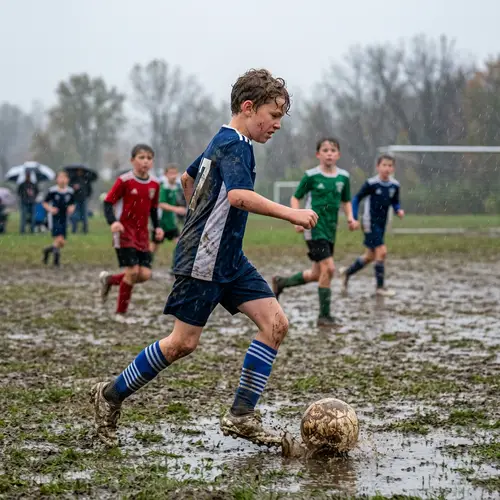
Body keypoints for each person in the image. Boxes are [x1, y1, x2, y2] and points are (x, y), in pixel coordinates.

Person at [90, 69, 318, 448]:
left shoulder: (224, 139)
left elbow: (186, 178)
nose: (277, 124)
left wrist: (200, 215)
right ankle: (110, 394)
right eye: (274, 115)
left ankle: (241, 416)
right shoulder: (236, 144)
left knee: (275, 324)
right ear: (248, 107)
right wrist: (292, 213)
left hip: (229, 259)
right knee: (182, 343)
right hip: (202, 259)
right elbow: (239, 197)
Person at [272, 138, 355, 326]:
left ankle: (281, 282)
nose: (329, 153)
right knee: (330, 269)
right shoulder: (310, 176)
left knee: (317, 274)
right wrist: (297, 217)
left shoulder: (344, 177)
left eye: (333, 150)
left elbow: (346, 201)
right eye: (325, 150)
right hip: (313, 228)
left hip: (330, 230)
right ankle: (324, 316)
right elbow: (295, 197)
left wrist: (351, 217)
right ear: (318, 154)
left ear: (338, 155)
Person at [98, 145, 163, 316]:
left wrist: (157, 227)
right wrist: (113, 222)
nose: (145, 161)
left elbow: (153, 208)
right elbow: (108, 202)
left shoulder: (155, 184)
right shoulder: (124, 181)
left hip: (142, 234)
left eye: (149, 158)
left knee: (145, 274)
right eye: (141, 157)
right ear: (132, 160)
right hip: (124, 233)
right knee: (133, 272)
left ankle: (109, 280)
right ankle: (121, 314)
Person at [339, 154, 404, 297]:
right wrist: (354, 217)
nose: (387, 168)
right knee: (382, 251)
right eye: (384, 165)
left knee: (370, 256)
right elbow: (356, 199)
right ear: (378, 167)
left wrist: (398, 209)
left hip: (382, 223)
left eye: (390, 165)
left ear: (393, 168)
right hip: (369, 222)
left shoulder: (395, 185)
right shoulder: (371, 184)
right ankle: (380, 288)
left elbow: (395, 201)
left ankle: (346, 273)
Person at [149, 164, 187, 271]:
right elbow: (161, 204)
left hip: (171, 222)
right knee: (154, 246)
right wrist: (177, 209)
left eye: (175, 173)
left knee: (180, 243)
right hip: (160, 222)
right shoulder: (162, 186)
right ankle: (146, 265)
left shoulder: (177, 186)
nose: (173, 176)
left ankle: (175, 267)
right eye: (171, 173)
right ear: (165, 174)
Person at [42, 171, 75, 267]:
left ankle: (47, 250)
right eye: (60, 178)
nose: (62, 180)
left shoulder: (70, 191)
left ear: (68, 180)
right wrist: (51, 209)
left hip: (64, 218)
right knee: (59, 239)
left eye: (64, 178)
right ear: (57, 180)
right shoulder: (52, 191)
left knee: (62, 242)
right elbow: (45, 203)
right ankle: (56, 262)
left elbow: (73, 203)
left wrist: (71, 208)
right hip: (54, 218)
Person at [70, 168, 92, 234]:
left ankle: (85, 230)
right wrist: (74, 187)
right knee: (74, 215)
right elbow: (70, 187)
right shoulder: (73, 179)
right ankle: (74, 229)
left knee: (84, 215)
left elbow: (89, 189)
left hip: (83, 199)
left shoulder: (86, 179)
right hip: (75, 199)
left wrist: (87, 195)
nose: (79, 172)